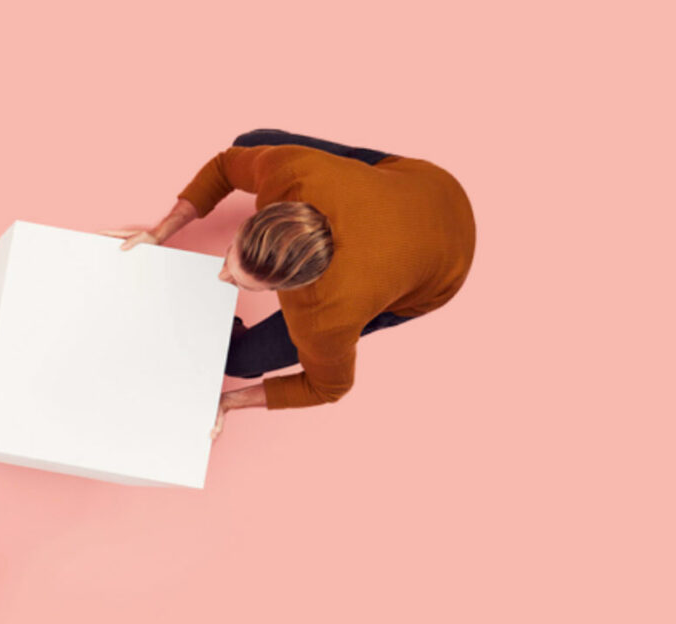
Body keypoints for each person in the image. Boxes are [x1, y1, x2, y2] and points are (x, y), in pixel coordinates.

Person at [101, 129, 475, 437]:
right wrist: (159, 233)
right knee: (250, 142)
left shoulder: (325, 316)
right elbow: (223, 167)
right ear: (262, 216)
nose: (221, 276)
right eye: (231, 257)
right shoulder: (292, 172)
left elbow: (328, 387)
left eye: (243, 285)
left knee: (236, 359)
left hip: (442, 274)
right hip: (427, 182)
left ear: (288, 289)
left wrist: (227, 402)